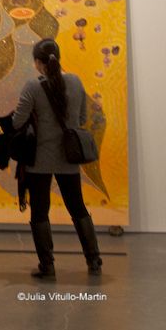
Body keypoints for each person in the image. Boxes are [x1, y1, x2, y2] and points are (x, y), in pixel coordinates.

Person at [12, 38, 103, 280]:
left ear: (38, 62)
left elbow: (17, 122)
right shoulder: (75, 81)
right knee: (78, 207)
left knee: (40, 212)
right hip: (68, 157)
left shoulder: (33, 86)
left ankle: (47, 265)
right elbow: (81, 118)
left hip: (40, 160)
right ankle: (94, 260)